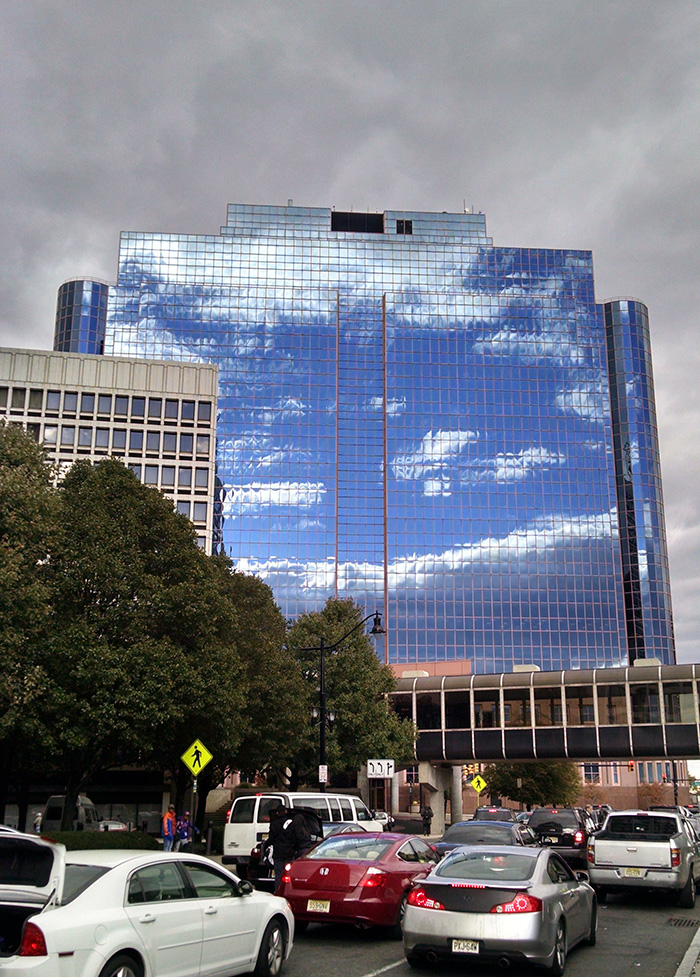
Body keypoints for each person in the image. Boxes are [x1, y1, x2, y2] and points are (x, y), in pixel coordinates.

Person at [264, 804, 313, 892]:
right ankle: (286, 891)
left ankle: (278, 891)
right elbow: (295, 837)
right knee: (287, 874)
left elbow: (271, 839)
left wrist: (266, 846)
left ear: (277, 813)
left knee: (278, 875)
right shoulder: (291, 823)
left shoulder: (274, 824)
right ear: (286, 812)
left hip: (278, 852)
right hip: (289, 852)